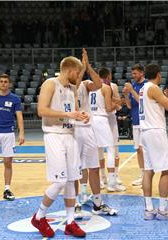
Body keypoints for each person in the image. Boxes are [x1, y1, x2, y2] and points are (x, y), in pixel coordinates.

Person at [32, 56, 89, 238]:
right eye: (78, 72)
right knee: (60, 181)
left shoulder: (72, 89)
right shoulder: (50, 83)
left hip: (70, 135)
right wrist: (68, 114)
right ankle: (39, 216)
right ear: (70, 70)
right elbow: (42, 110)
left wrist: (80, 116)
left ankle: (70, 223)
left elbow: (71, 113)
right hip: (54, 135)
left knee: (72, 180)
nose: (79, 76)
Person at [139, 63, 168, 221]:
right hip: (155, 131)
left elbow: (166, 104)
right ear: (159, 75)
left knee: (148, 170)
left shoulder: (143, 88)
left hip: (144, 132)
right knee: (167, 170)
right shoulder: (153, 88)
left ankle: (148, 209)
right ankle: (163, 210)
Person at [74, 48, 118, 216]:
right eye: (77, 69)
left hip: (88, 127)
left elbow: (99, 84)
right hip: (73, 129)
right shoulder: (63, 85)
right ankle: (77, 203)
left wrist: (88, 66)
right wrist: (83, 69)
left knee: (93, 166)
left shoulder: (86, 85)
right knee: (77, 168)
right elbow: (73, 86)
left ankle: (97, 204)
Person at [90, 67, 125, 192]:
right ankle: (110, 181)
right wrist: (117, 105)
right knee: (111, 149)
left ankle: (105, 179)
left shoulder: (90, 86)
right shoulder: (106, 87)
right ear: (109, 75)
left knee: (99, 150)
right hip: (103, 119)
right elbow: (109, 107)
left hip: (93, 119)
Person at [123, 64, 147, 186]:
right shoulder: (134, 85)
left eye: (135, 73)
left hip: (145, 122)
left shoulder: (146, 85)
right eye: (132, 74)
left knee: (144, 149)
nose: (133, 76)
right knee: (138, 149)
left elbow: (143, 102)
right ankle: (142, 175)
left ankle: (147, 176)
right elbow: (129, 106)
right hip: (135, 121)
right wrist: (126, 95)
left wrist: (131, 90)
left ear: (142, 73)